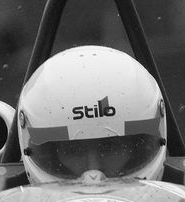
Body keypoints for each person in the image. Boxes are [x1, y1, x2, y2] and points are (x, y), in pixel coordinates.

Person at [15, 45, 168, 183]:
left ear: (139, 148)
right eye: (73, 150)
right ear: (50, 155)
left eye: (109, 147)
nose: (94, 173)